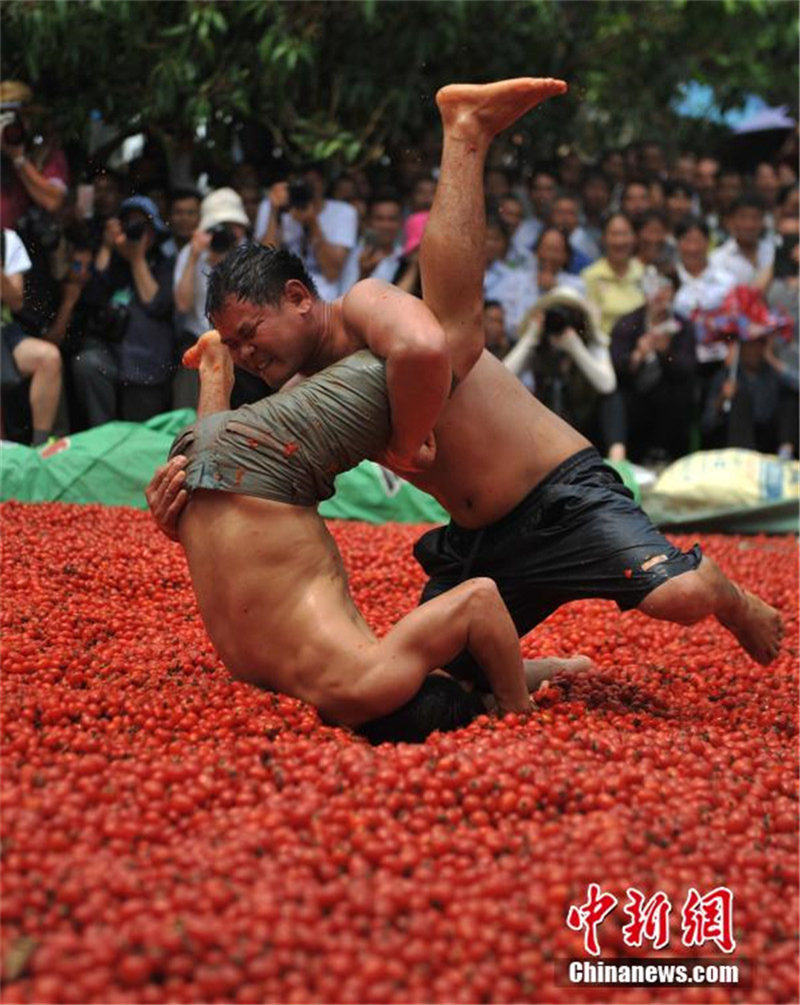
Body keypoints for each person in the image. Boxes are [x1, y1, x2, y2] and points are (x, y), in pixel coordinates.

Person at [152, 78, 783, 692]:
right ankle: (543, 671)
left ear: (297, 298)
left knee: (678, 596)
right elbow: (244, 482)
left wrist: (407, 436)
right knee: (427, 682)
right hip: (480, 540)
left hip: (559, 493)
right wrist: (183, 506)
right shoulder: (304, 397)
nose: (247, 353)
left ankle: (726, 594)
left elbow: (433, 344)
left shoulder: (365, 303)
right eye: (232, 345)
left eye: (247, 332)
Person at [152, 78, 587, 740]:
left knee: (442, 343)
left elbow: (477, 606)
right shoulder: (309, 684)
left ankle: (466, 131)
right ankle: (463, 131)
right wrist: (525, 692)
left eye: (242, 341)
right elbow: (468, 617)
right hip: (204, 470)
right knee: (447, 340)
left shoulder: (376, 676)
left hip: (253, 461)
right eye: (234, 346)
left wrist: (508, 703)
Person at [71, 195, 176, 425]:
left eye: (141, 226)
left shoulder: (165, 263)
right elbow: (91, 297)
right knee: (87, 363)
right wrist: (107, 248)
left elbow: (156, 304)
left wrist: (136, 259)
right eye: (129, 224)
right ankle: (102, 436)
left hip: (147, 365)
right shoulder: (113, 262)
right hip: (110, 356)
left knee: (139, 431)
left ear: (153, 231)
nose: (135, 231)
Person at [173, 188, 252, 410]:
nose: (225, 233)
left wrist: (229, 260)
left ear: (242, 228)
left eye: (232, 227)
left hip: (242, 348)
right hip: (197, 347)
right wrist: (195, 258)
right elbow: (182, 304)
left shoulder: (252, 255)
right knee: (188, 414)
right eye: (219, 227)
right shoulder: (191, 253)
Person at [610, 269, 696, 463]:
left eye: (664, 287)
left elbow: (688, 369)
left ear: (674, 292)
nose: (658, 294)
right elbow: (615, 369)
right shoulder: (628, 323)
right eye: (653, 286)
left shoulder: (683, 326)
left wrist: (666, 353)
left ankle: (668, 456)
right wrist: (637, 356)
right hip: (635, 398)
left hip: (669, 402)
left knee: (680, 392)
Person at [255, 166, 358, 301]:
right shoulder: (270, 207)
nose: (306, 189)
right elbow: (263, 267)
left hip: (324, 299)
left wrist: (312, 222)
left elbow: (332, 272)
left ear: (324, 184)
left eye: (312, 183)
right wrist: (275, 212)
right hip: (278, 296)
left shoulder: (344, 212)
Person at [1, 226, 62, 444]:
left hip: (4, 331)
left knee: (49, 358)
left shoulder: (6, 239)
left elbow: (16, 301)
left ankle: (39, 447)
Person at [581, 212, 645, 339]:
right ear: (604, 238)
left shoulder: (644, 273)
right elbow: (589, 325)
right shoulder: (590, 276)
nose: (619, 241)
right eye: (614, 234)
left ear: (634, 238)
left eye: (624, 234)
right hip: (603, 349)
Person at [339, 191, 404, 291]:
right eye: (379, 219)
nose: (385, 225)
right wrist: (364, 274)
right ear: (368, 222)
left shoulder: (406, 256)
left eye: (392, 219)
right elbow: (344, 300)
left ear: (400, 222)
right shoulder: (355, 255)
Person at [709, 196, 775, 287]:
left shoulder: (774, 252)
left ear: (763, 222)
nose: (749, 225)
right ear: (729, 222)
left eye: (755, 218)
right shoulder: (717, 259)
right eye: (743, 218)